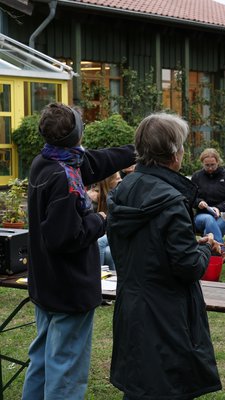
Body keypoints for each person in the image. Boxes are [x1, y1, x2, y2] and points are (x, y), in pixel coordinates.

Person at [23, 102, 135, 399]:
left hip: (47, 284)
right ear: (77, 133)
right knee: (66, 371)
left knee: (43, 362)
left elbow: (96, 162)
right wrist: (100, 219)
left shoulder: (48, 162)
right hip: (68, 288)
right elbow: (65, 237)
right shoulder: (64, 178)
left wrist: (134, 150)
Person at [107, 112, 222, 399]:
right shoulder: (171, 200)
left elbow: (144, 242)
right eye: (182, 145)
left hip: (132, 306)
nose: (184, 152)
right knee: (166, 389)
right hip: (165, 315)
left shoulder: (124, 190)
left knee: (139, 388)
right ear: (173, 153)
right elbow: (188, 266)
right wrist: (206, 246)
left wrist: (189, 241)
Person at [191, 148, 225, 262]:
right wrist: (199, 202)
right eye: (207, 165)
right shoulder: (197, 177)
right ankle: (223, 251)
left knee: (209, 232)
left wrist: (219, 208)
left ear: (218, 162)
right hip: (202, 215)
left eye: (212, 165)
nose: (210, 168)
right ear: (202, 163)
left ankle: (209, 251)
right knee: (208, 219)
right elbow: (190, 198)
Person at [89, 172, 123, 270]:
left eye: (120, 177)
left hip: (115, 232)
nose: (120, 181)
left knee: (101, 242)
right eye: (117, 179)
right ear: (109, 181)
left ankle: (97, 273)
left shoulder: (120, 193)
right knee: (108, 252)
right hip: (102, 232)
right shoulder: (94, 197)